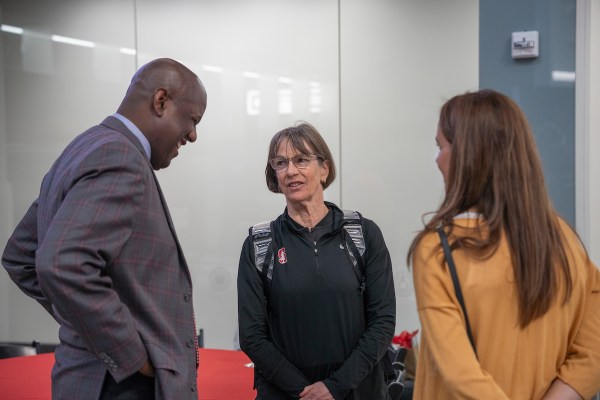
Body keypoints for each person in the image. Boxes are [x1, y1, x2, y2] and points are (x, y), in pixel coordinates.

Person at [2, 58, 208, 399]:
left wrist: (84, 323)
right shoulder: (119, 156)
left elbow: (22, 256)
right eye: (192, 119)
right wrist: (131, 353)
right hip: (118, 386)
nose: (193, 135)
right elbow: (60, 264)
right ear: (161, 101)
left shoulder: (85, 148)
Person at [407, 89, 600, 399]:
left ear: (468, 155)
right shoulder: (564, 239)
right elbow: (593, 348)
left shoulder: (440, 249)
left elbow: (460, 375)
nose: (437, 159)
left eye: (440, 146)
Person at [237, 122, 396, 400]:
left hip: (358, 390)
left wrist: (335, 387)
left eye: (301, 160)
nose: (291, 171)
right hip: (286, 393)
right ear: (274, 175)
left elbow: (382, 321)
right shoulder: (259, 244)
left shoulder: (363, 233)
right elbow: (251, 335)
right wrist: (305, 392)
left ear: (324, 169)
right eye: (281, 163)